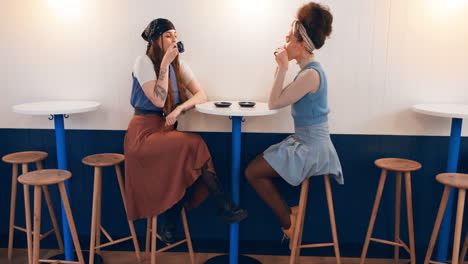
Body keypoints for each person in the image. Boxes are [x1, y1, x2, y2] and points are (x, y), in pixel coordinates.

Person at [124, 18, 247, 243]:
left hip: (166, 131)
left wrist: (180, 108)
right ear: (156, 40)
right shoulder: (143, 62)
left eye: (175, 36)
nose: (174, 40)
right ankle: (222, 204)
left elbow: (202, 95)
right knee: (194, 144)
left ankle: (171, 222)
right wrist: (163, 66)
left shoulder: (178, 64)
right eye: (168, 36)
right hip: (143, 135)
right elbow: (158, 101)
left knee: (187, 161)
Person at [244, 2, 343, 247]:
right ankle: (290, 218)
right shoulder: (307, 72)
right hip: (305, 142)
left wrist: (282, 66)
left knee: (252, 172)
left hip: (313, 148)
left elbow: (273, 103)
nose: (284, 42)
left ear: (301, 44)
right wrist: (284, 68)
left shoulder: (310, 75)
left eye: (288, 38)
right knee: (254, 170)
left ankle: (290, 223)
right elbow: (277, 99)